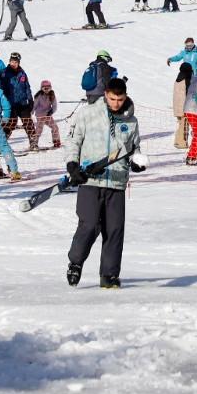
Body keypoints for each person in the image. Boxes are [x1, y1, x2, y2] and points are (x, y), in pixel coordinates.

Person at [64, 78, 145, 289]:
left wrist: (136, 162)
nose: (116, 103)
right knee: (89, 225)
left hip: (116, 182)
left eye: (120, 99)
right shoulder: (87, 113)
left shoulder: (131, 120)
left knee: (114, 229)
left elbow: (134, 148)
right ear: (105, 95)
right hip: (90, 179)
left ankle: (109, 275)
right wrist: (72, 164)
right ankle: (75, 262)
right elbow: (73, 140)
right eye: (112, 99)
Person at [0, 52, 39, 152]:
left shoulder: (22, 73)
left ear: (18, 63)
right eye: (12, 62)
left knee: (28, 122)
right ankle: (2, 144)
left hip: (22, 103)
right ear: (9, 62)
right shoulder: (4, 73)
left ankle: (33, 143)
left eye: (16, 62)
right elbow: (0, 87)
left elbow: (27, 87)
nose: (14, 64)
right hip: (10, 103)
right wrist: (3, 100)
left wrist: (30, 100)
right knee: (10, 123)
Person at [32, 80, 62, 150]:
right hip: (40, 115)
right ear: (41, 88)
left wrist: (51, 111)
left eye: (48, 88)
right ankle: (34, 143)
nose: (46, 90)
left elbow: (54, 105)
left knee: (55, 127)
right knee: (39, 129)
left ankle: (56, 141)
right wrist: (31, 112)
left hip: (48, 115)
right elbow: (34, 105)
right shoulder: (39, 95)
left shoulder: (52, 95)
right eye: (45, 88)